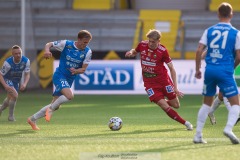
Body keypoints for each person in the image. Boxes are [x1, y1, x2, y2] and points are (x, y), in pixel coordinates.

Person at [125, 29, 193, 131]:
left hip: (163, 80)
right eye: (150, 41)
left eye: (153, 42)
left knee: (176, 105)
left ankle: (162, 103)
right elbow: (135, 51)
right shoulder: (142, 45)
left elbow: (172, 69)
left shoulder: (163, 51)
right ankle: (186, 123)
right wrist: (130, 52)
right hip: (150, 83)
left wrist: (175, 88)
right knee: (164, 106)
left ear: (158, 41)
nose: (151, 43)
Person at [194, 2, 240, 144]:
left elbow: (199, 51)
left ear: (218, 14)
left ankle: (198, 135)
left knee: (206, 104)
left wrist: (197, 69)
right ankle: (228, 128)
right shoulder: (235, 33)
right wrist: (231, 68)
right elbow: (239, 56)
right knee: (236, 105)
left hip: (210, 70)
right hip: (225, 70)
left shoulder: (209, 31)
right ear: (231, 15)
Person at [27, 30, 92, 130]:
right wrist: (47, 51)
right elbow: (49, 44)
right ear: (79, 39)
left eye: (87, 43)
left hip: (69, 79)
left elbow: (83, 69)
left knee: (56, 105)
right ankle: (50, 110)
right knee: (69, 96)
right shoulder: (66, 44)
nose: (85, 44)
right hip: (60, 75)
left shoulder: (87, 52)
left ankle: (32, 119)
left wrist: (76, 70)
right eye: (84, 42)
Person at [0, 45, 30, 121]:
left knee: (10, 97)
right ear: (12, 54)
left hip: (16, 81)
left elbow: (27, 74)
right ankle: (11, 117)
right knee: (15, 95)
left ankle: (0, 108)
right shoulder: (8, 63)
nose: (18, 55)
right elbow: (1, 74)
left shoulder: (26, 61)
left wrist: (24, 84)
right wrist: (5, 85)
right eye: (16, 53)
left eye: (19, 53)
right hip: (7, 79)